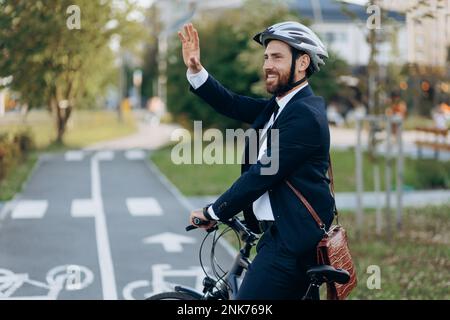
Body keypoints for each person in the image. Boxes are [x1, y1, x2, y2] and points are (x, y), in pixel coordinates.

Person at [179, 22, 335, 300]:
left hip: (289, 245)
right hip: (284, 236)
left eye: (277, 57)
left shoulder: (304, 116)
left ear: (303, 62)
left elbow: (262, 174)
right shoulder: (281, 107)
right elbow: (232, 104)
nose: (267, 65)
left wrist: (214, 212)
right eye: (266, 57)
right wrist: (196, 70)